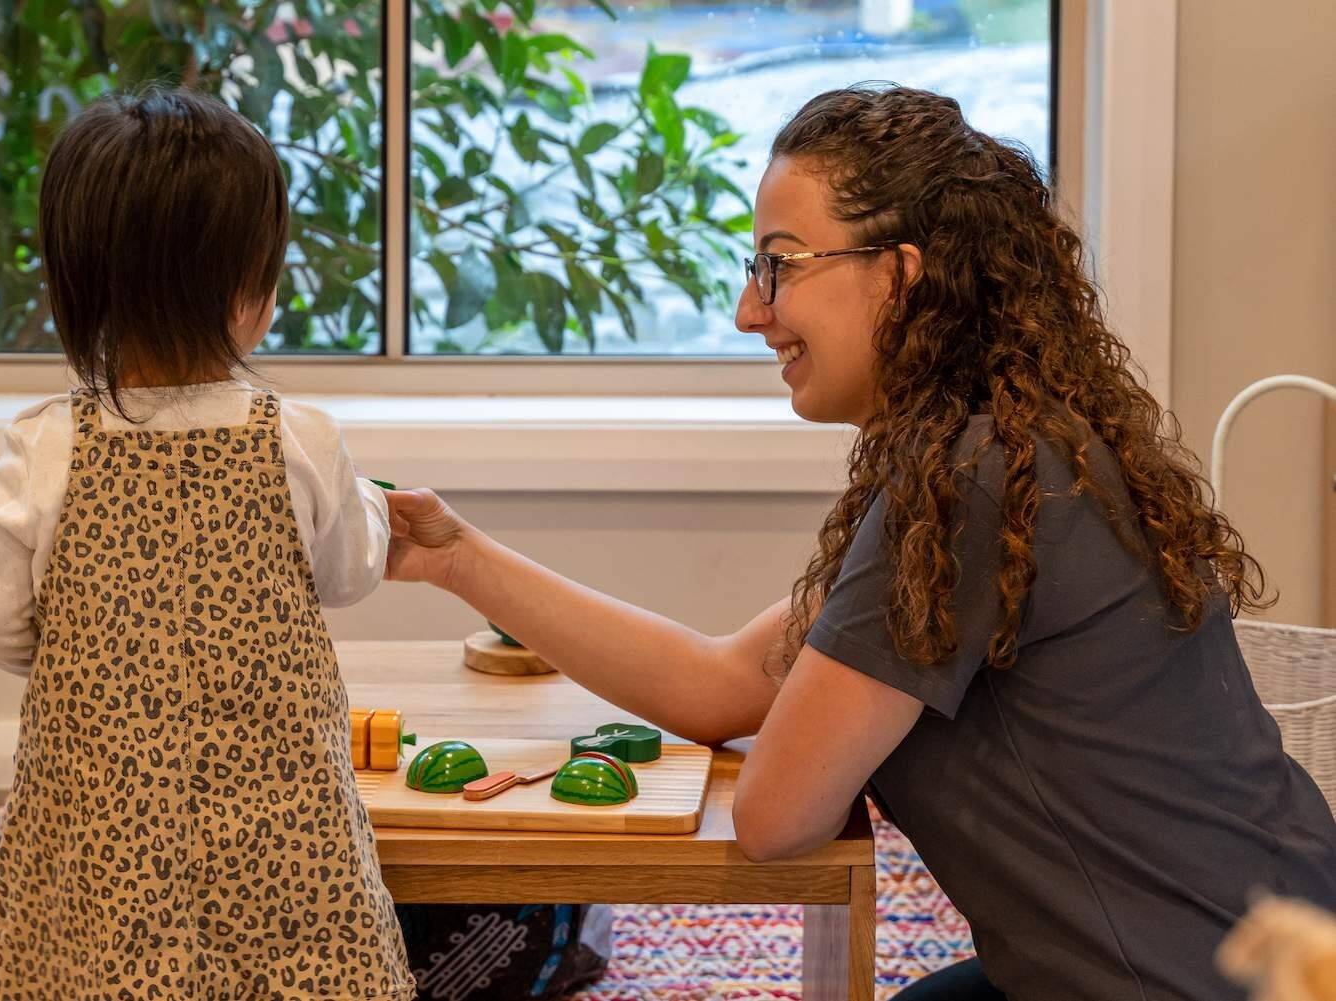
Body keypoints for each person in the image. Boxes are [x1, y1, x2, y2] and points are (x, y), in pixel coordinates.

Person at [380, 86, 1336, 1001]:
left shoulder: (971, 482)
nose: (750, 311)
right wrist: (457, 557)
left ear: (901, 275)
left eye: (780, 265)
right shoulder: (1009, 451)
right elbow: (718, 682)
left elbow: (776, 817)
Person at [0, 89, 415, 1001]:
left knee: (94, 964)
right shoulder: (300, 439)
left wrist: (81, 654)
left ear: (76, 286)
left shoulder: (46, 447)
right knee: (298, 958)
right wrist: (379, 510)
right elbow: (349, 570)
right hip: (282, 819)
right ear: (250, 290)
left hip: (104, 816)